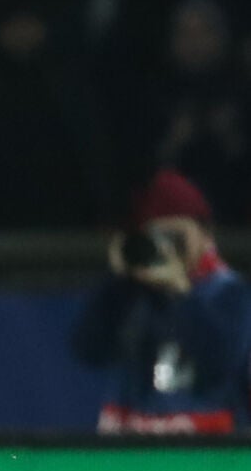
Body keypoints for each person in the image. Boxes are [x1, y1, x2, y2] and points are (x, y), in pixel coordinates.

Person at [71, 167, 251, 434]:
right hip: (130, 454)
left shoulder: (227, 292)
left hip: (202, 458)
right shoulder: (131, 294)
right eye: (157, 238)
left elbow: (220, 364)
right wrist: (117, 283)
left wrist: (178, 292)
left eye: (176, 237)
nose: (167, 247)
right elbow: (87, 350)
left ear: (205, 234)